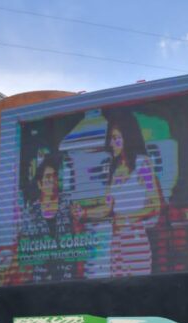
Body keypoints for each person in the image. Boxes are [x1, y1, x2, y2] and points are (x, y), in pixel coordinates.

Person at [94, 112, 164, 276]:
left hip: (135, 241)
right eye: (111, 138)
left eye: (116, 137)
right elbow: (107, 207)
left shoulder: (142, 164)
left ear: (128, 138)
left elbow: (155, 205)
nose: (112, 143)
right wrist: (82, 212)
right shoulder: (114, 170)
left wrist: (126, 218)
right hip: (117, 242)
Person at [14, 153, 82, 283]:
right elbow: (23, 249)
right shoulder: (30, 213)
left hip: (68, 278)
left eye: (55, 176)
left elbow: (79, 239)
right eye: (48, 177)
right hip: (40, 281)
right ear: (40, 184)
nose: (52, 180)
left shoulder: (69, 205)